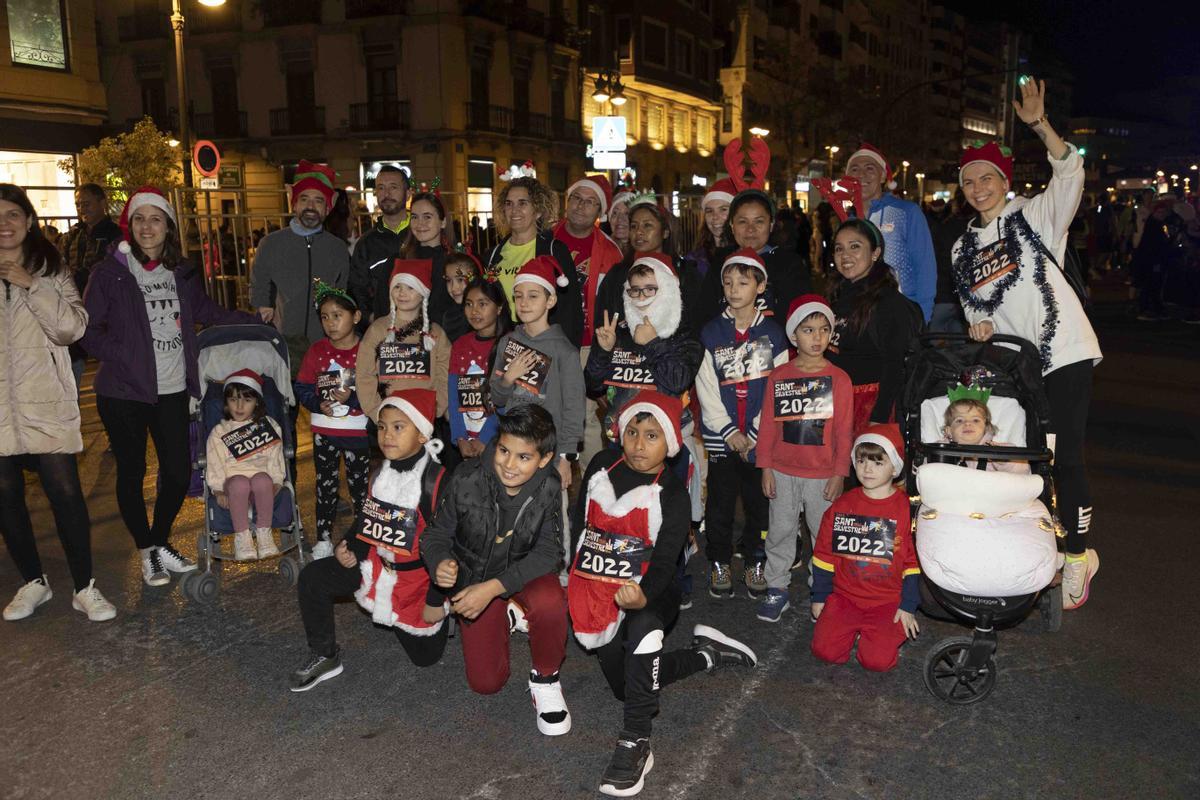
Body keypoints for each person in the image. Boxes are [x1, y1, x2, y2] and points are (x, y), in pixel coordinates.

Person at [952, 75, 1102, 609]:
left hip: (1064, 350)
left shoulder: (1035, 215)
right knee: (1028, 459)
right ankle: (1041, 542)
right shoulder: (963, 247)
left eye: (987, 178)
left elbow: (1070, 170)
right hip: (1016, 365)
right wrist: (979, 327)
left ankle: (1079, 552)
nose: (978, 188)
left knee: (1066, 458)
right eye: (969, 182)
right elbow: (976, 310)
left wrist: (1040, 124)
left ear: (1004, 180)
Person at [567, 391, 758, 797]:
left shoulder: (670, 491)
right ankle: (706, 654)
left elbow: (669, 558)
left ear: (669, 442)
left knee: (644, 631)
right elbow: (578, 523)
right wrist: (572, 575)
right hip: (599, 586)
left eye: (651, 435)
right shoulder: (601, 465)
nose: (638, 443)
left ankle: (636, 740)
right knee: (627, 685)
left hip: (652, 589)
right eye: (632, 431)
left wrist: (643, 596)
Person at [82, 186, 254, 587]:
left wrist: (252, 318)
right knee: (132, 471)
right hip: (123, 390)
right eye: (139, 218)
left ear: (168, 227)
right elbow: (88, 331)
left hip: (173, 388)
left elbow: (206, 311)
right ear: (129, 225)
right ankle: (148, 551)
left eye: (155, 219)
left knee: (177, 473)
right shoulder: (110, 272)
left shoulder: (182, 272)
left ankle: (158, 541)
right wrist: (125, 355)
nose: (147, 227)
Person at [0, 183, 116, 623]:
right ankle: (33, 581)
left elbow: (71, 330)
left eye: (12, 214)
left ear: (28, 221)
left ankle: (85, 586)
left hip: (45, 399)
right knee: (6, 494)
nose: (4, 224)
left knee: (65, 492)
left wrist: (31, 285)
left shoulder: (52, 270)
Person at [422, 405, 571, 735]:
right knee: (486, 684)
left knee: (550, 603)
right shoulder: (466, 477)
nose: (509, 464)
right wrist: (440, 563)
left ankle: (546, 679)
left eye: (523, 457)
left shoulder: (549, 484)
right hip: (475, 575)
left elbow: (550, 552)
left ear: (544, 459)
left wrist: (494, 589)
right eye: (504, 450)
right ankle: (506, 614)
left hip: (521, 573)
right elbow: (434, 534)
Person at [289, 389, 450, 692]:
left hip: (419, 581)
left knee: (426, 659)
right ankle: (325, 655)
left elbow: (452, 549)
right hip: (377, 568)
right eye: (383, 426)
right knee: (313, 577)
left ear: (422, 435)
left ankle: (447, 618)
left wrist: (436, 600)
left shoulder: (439, 481)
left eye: (399, 427)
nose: (387, 435)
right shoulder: (379, 473)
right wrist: (348, 547)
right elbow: (368, 520)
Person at [694, 249, 790, 602]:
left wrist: (754, 433)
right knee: (718, 506)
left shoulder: (775, 334)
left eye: (743, 283)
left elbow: (778, 386)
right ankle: (719, 561)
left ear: (760, 286)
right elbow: (705, 386)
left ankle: (755, 560)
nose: (734, 289)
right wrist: (728, 431)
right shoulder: (712, 332)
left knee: (758, 505)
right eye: (729, 282)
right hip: (723, 441)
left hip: (758, 440)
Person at [756, 295, 854, 622]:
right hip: (782, 471)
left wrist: (840, 472)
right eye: (808, 330)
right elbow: (768, 424)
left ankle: (823, 589)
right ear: (794, 335)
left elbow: (843, 431)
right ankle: (777, 587)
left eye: (824, 330)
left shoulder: (840, 379)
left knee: (822, 534)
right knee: (781, 529)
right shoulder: (779, 376)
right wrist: (765, 466)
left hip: (822, 474)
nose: (817, 337)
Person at [811, 424, 920, 672]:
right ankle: (853, 631)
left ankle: (875, 637)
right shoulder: (842, 505)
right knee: (825, 652)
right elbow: (824, 556)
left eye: (878, 462)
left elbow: (913, 563)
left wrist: (908, 605)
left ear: (895, 468)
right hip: (845, 597)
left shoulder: (906, 510)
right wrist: (820, 596)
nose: (867, 469)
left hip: (888, 602)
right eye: (861, 461)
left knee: (877, 662)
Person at [586, 252, 704, 450]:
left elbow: (678, 381)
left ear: (667, 289)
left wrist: (652, 343)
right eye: (635, 290)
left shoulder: (685, 334)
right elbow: (593, 385)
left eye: (650, 290)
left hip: (670, 441)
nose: (641, 298)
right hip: (621, 437)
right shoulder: (618, 333)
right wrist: (604, 351)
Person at [490, 255, 585, 492]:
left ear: (550, 300)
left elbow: (573, 408)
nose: (524, 303)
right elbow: (497, 399)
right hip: (512, 448)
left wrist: (565, 458)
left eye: (533, 296)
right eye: (518, 296)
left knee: (550, 518)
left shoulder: (564, 351)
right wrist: (508, 378)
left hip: (547, 453)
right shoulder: (507, 343)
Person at [250, 160, 349, 375]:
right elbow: (259, 289)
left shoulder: (338, 249)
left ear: (328, 207)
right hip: (282, 348)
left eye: (318, 201)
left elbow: (344, 296)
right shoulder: (271, 244)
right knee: (286, 407)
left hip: (326, 348)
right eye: (304, 199)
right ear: (294, 203)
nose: (311, 207)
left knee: (326, 407)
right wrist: (263, 308)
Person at [826, 218, 924, 434]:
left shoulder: (888, 302)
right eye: (839, 249)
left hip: (868, 406)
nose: (845, 255)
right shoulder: (837, 295)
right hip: (835, 403)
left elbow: (895, 365)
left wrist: (878, 418)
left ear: (875, 253)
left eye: (855, 246)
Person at [295, 282, 369, 559]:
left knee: (359, 489)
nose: (331, 323)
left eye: (337, 315)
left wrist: (352, 399)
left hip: (357, 432)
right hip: (324, 430)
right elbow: (301, 385)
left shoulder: (366, 350)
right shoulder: (317, 351)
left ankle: (363, 538)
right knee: (324, 486)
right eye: (325, 317)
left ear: (356, 316)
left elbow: (377, 391)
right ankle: (323, 538)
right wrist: (316, 402)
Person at [485, 175, 582, 345]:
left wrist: (565, 354)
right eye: (509, 204)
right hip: (502, 344)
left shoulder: (554, 251)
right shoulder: (492, 255)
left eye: (522, 203)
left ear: (537, 211)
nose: (514, 210)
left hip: (544, 343)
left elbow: (570, 309)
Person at [844, 143, 937, 321]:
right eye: (854, 169)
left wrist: (922, 318)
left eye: (869, 168)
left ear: (882, 177)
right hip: (858, 318)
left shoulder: (906, 212)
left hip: (899, 317)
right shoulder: (848, 221)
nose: (861, 174)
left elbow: (925, 267)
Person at [697, 186, 810, 324]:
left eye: (759, 221)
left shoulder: (790, 264)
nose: (750, 229)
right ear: (732, 226)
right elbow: (703, 315)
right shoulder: (720, 263)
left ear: (771, 224)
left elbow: (800, 319)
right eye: (742, 222)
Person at [356, 259, 451, 423]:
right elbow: (364, 374)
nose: (402, 293)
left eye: (410, 287)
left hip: (424, 419)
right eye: (397, 286)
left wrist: (435, 409)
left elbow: (445, 374)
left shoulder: (436, 333)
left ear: (423, 292)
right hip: (385, 419)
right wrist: (376, 412)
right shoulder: (377, 330)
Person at [205, 370, 286, 560]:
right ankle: (242, 537)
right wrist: (217, 490)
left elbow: (275, 458)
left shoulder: (268, 426)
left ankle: (264, 533)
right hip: (232, 484)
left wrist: (277, 481)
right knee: (240, 482)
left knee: (263, 479)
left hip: (262, 482)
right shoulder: (220, 431)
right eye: (234, 400)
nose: (239, 406)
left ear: (256, 402)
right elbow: (214, 462)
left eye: (247, 400)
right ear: (226, 402)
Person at [596, 197, 703, 334]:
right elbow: (603, 319)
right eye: (634, 226)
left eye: (647, 225)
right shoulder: (617, 274)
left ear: (665, 232)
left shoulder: (685, 274)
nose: (639, 232)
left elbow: (695, 324)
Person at [58, 183, 121, 390]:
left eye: (86, 204)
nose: (81, 209)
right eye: (78, 205)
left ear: (102, 203)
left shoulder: (115, 235)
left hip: (106, 307)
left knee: (109, 356)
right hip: (76, 303)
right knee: (74, 354)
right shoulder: (75, 234)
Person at [553, 173, 624, 349]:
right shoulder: (545, 239)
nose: (581, 206)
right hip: (546, 342)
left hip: (587, 345)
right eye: (576, 197)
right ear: (567, 202)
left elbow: (615, 305)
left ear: (600, 212)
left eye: (590, 201)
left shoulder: (611, 252)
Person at [449, 278, 511, 460]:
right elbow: (454, 396)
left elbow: (507, 400)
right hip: (467, 438)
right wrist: (460, 437)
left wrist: (485, 438)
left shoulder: (510, 344)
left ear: (499, 308)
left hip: (500, 439)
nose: (474, 311)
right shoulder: (460, 344)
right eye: (469, 304)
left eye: (482, 304)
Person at [347, 165, 412, 321]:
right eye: (381, 188)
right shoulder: (366, 243)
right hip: (381, 331)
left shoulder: (422, 235)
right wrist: (371, 318)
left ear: (408, 194)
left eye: (393, 187)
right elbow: (357, 290)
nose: (386, 194)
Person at [939, 385, 1029, 473]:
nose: (967, 423)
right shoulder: (941, 449)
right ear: (949, 431)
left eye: (975, 420)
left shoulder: (997, 449)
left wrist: (1004, 460)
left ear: (986, 428)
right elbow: (928, 470)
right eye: (959, 420)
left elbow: (1023, 470)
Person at [925, 193, 970, 333]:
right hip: (961, 299)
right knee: (957, 339)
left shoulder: (939, 230)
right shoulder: (968, 229)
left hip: (941, 296)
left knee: (935, 340)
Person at [686, 178, 736, 280]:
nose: (715, 217)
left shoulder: (746, 255)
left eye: (723, 210)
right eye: (709, 211)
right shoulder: (694, 260)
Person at [440, 250, 481, 342]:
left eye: (460, 280)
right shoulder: (450, 316)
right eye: (448, 280)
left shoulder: (488, 315)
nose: (454, 288)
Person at [607, 190, 634, 256]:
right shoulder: (601, 248)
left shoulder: (645, 251)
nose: (620, 219)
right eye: (615, 213)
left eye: (627, 213)